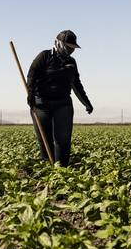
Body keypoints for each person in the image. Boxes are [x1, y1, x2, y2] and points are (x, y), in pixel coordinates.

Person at [26, 30, 92, 166]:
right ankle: (47, 169)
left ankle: (62, 169)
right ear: (60, 44)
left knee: (63, 139)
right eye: (69, 47)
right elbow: (31, 76)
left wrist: (87, 103)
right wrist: (30, 95)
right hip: (41, 105)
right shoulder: (44, 56)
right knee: (45, 138)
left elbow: (77, 85)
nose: (71, 50)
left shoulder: (71, 62)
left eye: (73, 48)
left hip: (63, 104)